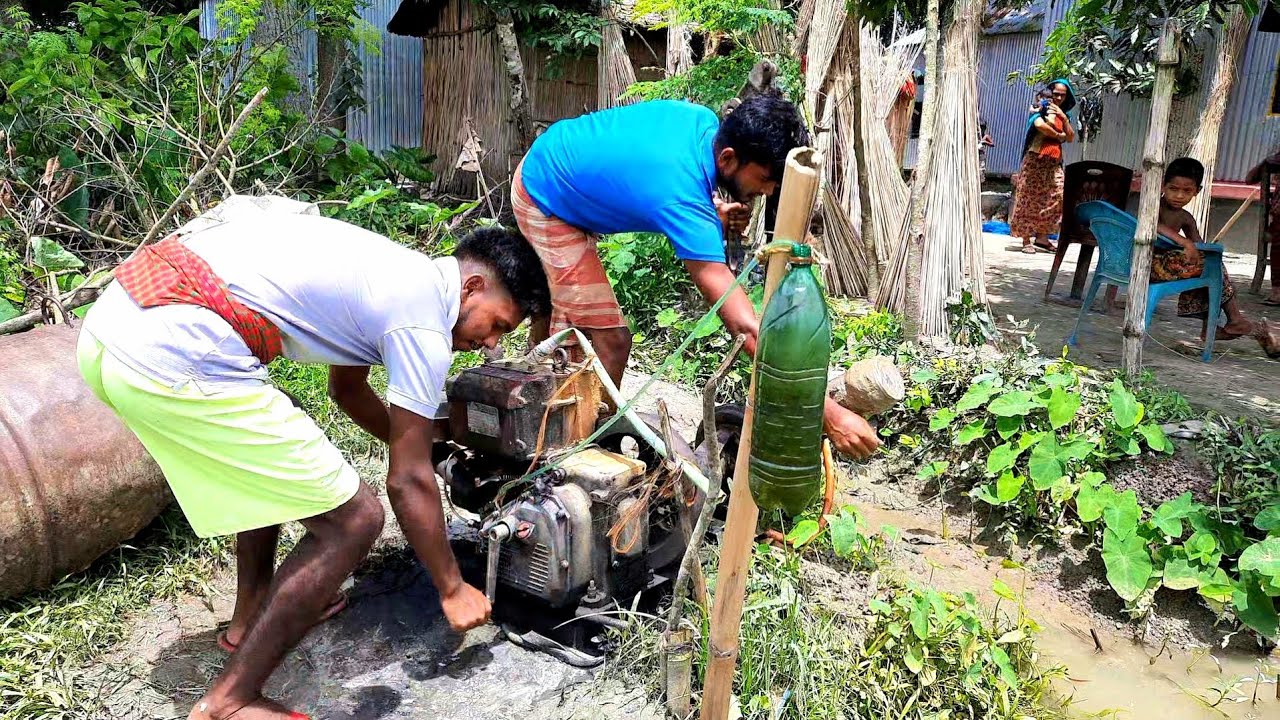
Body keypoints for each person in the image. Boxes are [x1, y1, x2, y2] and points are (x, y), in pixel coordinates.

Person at [76, 217, 551, 720]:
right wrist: (452, 588)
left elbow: (347, 392)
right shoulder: (423, 322)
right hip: (174, 350)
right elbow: (405, 479)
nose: (493, 343)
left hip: (112, 332)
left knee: (266, 457)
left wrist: (438, 455)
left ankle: (249, 615)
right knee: (355, 520)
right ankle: (229, 703)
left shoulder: (396, 274)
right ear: (473, 286)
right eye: (497, 324)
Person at [509, 95, 880, 461]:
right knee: (608, 342)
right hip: (545, 194)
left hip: (564, 158)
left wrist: (712, 209)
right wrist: (828, 414)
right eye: (765, 179)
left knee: (563, 319)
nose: (767, 192)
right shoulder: (682, 198)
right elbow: (746, 328)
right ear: (728, 158)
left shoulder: (704, 123)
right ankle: (569, 458)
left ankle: (533, 410)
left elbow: (647, 169)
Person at [1153, 157, 1278, 357]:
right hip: (1152, 265)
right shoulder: (1153, 207)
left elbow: (1200, 245)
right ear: (1163, 186)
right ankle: (1234, 321)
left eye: (1186, 191)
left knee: (1212, 264)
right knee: (1210, 268)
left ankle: (1214, 325)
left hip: (1171, 267)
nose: (1178, 195)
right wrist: (1184, 242)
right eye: (1173, 189)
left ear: (1197, 191)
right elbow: (1155, 226)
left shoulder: (1186, 218)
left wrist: (1205, 249)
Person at [1010, 80, 1076, 254]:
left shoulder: (1065, 115)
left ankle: (1042, 238)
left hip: (1053, 163)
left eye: (1063, 94)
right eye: (1056, 94)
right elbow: (1039, 125)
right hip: (1035, 159)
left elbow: (1070, 137)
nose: (1059, 97)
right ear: (1051, 93)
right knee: (1028, 197)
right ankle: (1026, 240)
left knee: (1058, 195)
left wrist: (1062, 117)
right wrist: (1058, 134)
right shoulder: (1042, 107)